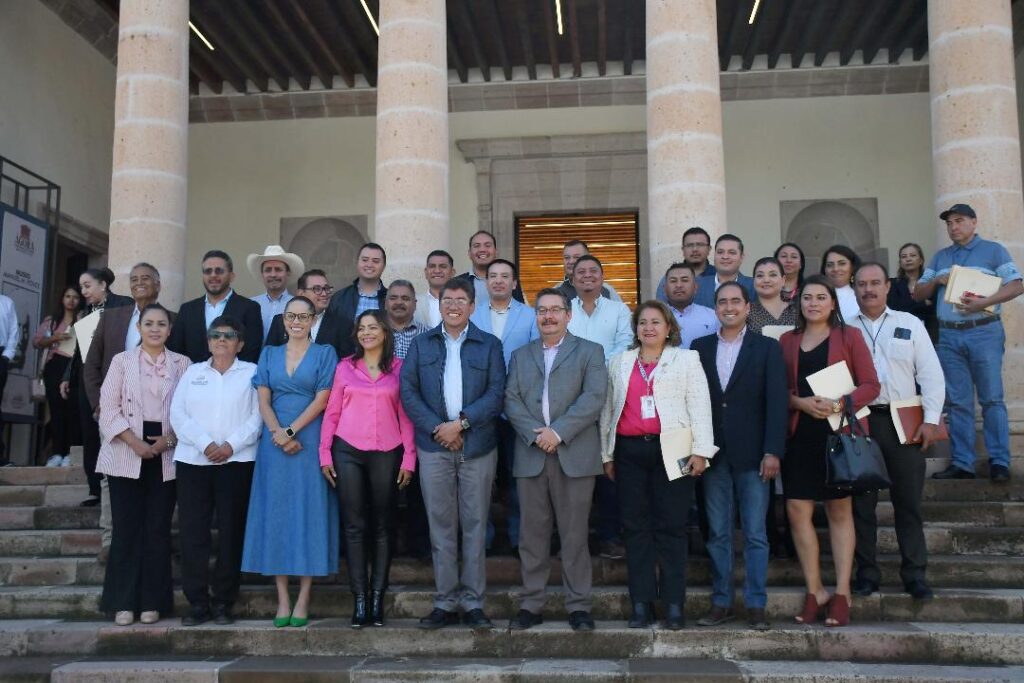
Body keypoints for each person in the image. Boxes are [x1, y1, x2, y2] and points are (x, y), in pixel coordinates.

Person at [600, 300, 716, 630]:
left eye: (656, 322)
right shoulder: (619, 362)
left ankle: (674, 604)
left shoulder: (686, 359)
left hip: (675, 450)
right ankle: (642, 602)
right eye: (643, 323)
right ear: (635, 329)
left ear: (668, 328)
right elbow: (608, 410)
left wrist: (702, 451)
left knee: (672, 528)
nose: (649, 328)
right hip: (629, 451)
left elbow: (700, 405)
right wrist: (606, 454)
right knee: (636, 529)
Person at [400, 278, 505, 630]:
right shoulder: (420, 344)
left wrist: (460, 425)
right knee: (441, 527)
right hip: (433, 447)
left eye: (461, 300)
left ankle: (473, 603)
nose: (454, 305)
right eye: (448, 300)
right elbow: (408, 392)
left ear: (473, 306)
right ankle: (445, 601)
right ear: (439, 304)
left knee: (475, 526)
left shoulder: (489, 345)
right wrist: (439, 429)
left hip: (477, 446)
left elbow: (496, 393)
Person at [778, 275, 880, 628]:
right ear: (799, 303)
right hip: (800, 433)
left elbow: (871, 385)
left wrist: (840, 403)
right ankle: (814, 590)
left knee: (839, 510)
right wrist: (800, 403)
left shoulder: (849, 336)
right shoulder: (787, 342)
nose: (814, 303)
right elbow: (779, 391)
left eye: (821, 297)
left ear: (833, 303)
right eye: (807, 298)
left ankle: (842, 592)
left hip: (839, 434)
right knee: (796, 510)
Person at [504, 288, 607, 632]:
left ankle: (578, 606)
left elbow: (594, 398)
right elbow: (511, 399)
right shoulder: (520, 356)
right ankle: (532, 604)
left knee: (575, 535)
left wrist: (558, 432)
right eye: (542, 311)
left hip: (573, 453)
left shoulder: (591, 352)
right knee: (531, 536)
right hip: (531, 454)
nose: (548, 316)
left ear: (568, 315)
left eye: (555, 310)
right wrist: (536, 435)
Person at [692, 283, 788, 631]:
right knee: (717, 533)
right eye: (722, 302)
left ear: (748, 307)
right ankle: (721, 602)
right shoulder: (698, 348)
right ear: (715, 307)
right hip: (713, 456)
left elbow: (777, 404)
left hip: (754, 456)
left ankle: (756, 604)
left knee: (755, 534)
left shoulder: (767, 348)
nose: (729, 307)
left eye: (735, 301)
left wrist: (773, 450)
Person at [241, 296, 339, 627]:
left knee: (307, 511)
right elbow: (263, 397)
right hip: (274, 443)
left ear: (313, 319)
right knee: (277, 513)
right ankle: (282, 597)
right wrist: (277, 432)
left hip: (309, 438)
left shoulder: (325, 353)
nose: (296, 321)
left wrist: (292, 430)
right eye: (290, 316)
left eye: (303, 316)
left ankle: (305, 596)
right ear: (283, 320)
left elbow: (324, 397)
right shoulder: (268, 354)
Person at [850, 263, 945, 601]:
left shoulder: (910, 324)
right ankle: (867, 574)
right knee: (862, 506)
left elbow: (931, 374)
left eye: (875, 283)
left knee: (908, 502)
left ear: (888, 287)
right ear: (854, 288)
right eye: (861, 284)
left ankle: (915, 574)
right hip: (860, 422)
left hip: (903, 421)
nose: (868, 289)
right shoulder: (845, 329)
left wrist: (931, 419)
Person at [320, 310, 416, 628]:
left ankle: (378, 596)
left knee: (382, 525)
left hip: (387, 451)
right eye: (361, 328)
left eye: (372, 327)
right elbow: (332, 413)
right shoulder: (345, 367)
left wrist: (409, 458)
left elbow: (405, 416)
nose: (366, 333)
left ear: (385, 333)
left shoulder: (399, 369)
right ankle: (359, 598)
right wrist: (324, 454)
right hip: (347, 450)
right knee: (354, 525)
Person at [96, 304, 190, 626]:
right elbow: (107, 408)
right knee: (126, 529)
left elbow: (190, 410)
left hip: (167, 449)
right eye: (148, 323)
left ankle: (153, 601)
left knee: (157, 529)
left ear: (169, 329)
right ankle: (123, 602)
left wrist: (167, 440)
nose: (154, 329)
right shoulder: (121, 361)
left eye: (161, 324)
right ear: (139, 328)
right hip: (126, 449)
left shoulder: (183, 364)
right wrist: (135, 443)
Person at [915, 204, 1023, 482]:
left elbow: (1016, 284)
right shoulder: (941, 257)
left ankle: (999, 462)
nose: (953, 227)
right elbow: (918, 294)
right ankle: (963, 464)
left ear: (974, 223)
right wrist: (938, 279)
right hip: (949, 335)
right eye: (949, 223)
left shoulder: (994, 250)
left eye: (959, 221)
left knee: (991, 399)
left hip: (984, 331)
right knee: (958, 402)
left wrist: (984, 302)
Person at [170, 315, 261, 626]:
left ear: (241, 343)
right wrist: (206, 444)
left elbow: (259, 415)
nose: (222, 340)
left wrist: (231, 445)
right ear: (208, 341)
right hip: (194, 462)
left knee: (231, 532)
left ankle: (223, 602)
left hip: (236, 463)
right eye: (216, 335)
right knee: (193, 533)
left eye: (229, 335)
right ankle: (196, 603)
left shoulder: (253, 373)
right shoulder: (193, 372)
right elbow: (177, 414)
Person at [83, 263, 168, 560]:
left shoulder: (170, 320)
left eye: (146, 278)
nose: (140, 283)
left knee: (156, 477)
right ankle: (110, 541)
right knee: (111, 476)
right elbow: (91, 364)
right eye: (134, 280)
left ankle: (150, 539)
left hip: (157, 416)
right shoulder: (111, 318)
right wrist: (98, 405)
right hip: (114, 414)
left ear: (158, 284)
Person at [470, 259, 540, 554]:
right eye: (493, 276)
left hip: (519, 409)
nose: (498, 281)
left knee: (518, 476)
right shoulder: (473, 315)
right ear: (486, 283)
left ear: (514, 283)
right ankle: (481, 540)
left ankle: (516, 537)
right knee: (480, 479)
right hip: (481, 408)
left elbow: (537, 359)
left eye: (505, 277)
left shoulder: (530, 316)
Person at [566, 254, 631, 560]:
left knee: (609, 469)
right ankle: (572, 538)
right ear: (572, 278)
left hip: (610, 398)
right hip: (570, 400)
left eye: (593, 271)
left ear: (603, 277)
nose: (587, 276)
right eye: (581, 272)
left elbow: (625, 345)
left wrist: (592, 369)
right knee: (572, 468)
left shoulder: (619, 310)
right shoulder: (566, 311)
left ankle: (609, 536)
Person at [60, 268, 132, 503]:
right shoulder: (85, 313)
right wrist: (67, 376)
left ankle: (116, 488)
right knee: (90, 433)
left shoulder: (124, 305)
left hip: (117, 379)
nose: (83, 291)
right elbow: (80, 352)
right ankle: (94, 490)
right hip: (88, 381)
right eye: (81, 287)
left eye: (87, 285)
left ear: (103, 285)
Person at [168, 250, 263, 364]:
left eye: (219, 271)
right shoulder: (187, 310)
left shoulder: (250, 308)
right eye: (208, 271)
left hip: (235, 378)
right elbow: (176, 350)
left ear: (231, 276)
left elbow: (251, 351)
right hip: (194, 378)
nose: (213, 275)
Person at [34, 286, 81, 467]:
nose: (71, 300)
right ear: (62, 298)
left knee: (73, 410)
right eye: (68, 296)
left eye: (75, 297)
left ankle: (71, 452)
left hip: (74, 366)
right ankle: (56, 453)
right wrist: (55, 337)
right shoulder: (52, 321)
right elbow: (37, 341)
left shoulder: (82, 318)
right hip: (55, 365)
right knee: (56, 410)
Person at [327, 242, 389, 357]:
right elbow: (329, 336)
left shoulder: (391, 299)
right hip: (345, 365)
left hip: (382, 365)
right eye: (365, 260)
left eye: (375, 261)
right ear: (357, 262)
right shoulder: (339, 298)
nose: (369, 264)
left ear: (384, 266)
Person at [266, 269, 345, 357]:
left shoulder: (342, 324)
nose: (324, 293)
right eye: (317, 289)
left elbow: (345, 364)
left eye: (326, 288)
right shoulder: (280, 321)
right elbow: (269, 356)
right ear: (301, 293)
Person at [247, 245, 303, 338]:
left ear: (288, 273)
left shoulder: (298, 306)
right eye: (268, 270)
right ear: (262, 274)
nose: (273, 274)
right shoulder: (250, 304)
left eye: (278, 269)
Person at [888, 242, 938, 342]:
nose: (908, 259)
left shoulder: (931, 283)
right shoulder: (892, 284)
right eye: (904, 256)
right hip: (902, 334)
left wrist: (908, 304)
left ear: (921, 260)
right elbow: (896, 309)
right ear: (900, 262)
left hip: (929, 334)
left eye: (913, 255)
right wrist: (923, 303)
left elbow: (934, 309)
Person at [662, 263, 720, 348]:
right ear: (665, 289)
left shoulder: (713, 318)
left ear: (695, 287)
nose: (679, 285)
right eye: (673, 281)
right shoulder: (653, 318)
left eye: (685, 280)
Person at [459, 230, 524, 304]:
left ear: (496, 252)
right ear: (469, 253)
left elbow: (520, 310)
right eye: (477, 246)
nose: (482, 250)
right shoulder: (457, 282)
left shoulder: (510, 281)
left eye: (487, 245)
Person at [693, 234, 755, 309]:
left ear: (741, 257)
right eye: (720, 252)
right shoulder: (696, 285)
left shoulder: (754, 286)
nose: (725, 257)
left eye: (732, 252)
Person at [655, 226, 716, 301]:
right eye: (690, 245)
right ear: (683, 249)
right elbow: (662, 309)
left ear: (709, 249)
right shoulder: (669, 279)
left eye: (700, 245)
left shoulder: (718, 277)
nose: (695, 249)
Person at [556, 240, 623, 302]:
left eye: (577, 257)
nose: (571, 261)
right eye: (567, 257)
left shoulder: (607, 291)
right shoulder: (555, 291)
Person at [748, 257, 797, 334]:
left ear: (783, 280)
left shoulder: (797, 310)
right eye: (760, 275)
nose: (766, 280)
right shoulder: (745, 312)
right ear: (754, 281)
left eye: (773, 275)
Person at [385, 280, 426, 360]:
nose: (399, 302)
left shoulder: (428, 335)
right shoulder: (374, 334)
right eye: (393, 298)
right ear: (385, 304)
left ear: (415, 304)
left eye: (405, 298)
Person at [415, 250, 455, 329]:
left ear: (452, 272)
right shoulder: (414, 302)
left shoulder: (463, 303)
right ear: (426, 272)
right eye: (432, 266)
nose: (437, 271)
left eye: (443, 266)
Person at [821, 245, 861, 322]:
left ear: (852, 266)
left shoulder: (864, 294)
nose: (835, 269)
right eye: (830, 265)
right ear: (824, 269)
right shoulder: (815, 296)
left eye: (842, 263)